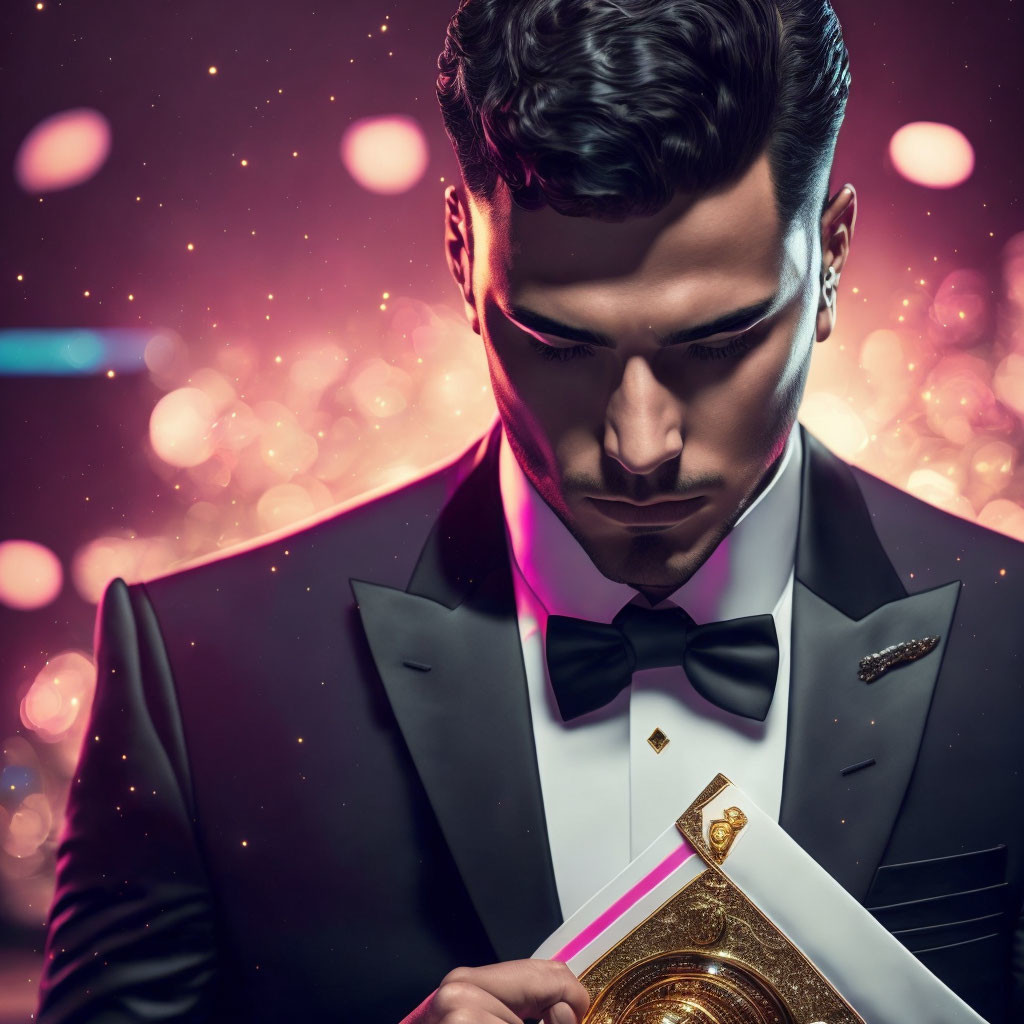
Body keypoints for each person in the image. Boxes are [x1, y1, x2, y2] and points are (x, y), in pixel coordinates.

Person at [36, 1, 1024, 1022]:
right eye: (559, 344)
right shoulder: (202, 674)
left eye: (721, 342)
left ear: (832, 255)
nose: (641, 445)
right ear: (462, 254)